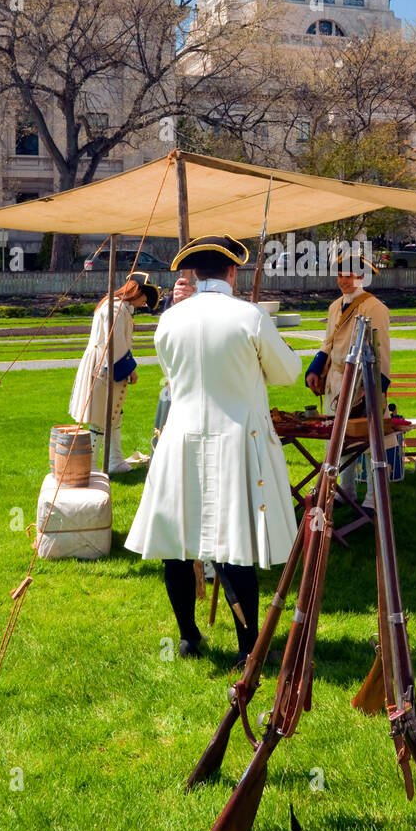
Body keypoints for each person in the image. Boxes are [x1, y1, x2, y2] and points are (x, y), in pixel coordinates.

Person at [124, 235, 300, 664]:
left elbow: (172, 374)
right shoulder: (250, 316)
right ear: (232, 273)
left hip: (180, 436)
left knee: (177, 546)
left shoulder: (170, 320)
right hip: (236, 439)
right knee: (235, 546)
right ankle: (248, 648)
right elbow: (288, 372)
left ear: (194, 275)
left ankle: (188, 636)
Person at [304, 251, 391, 515]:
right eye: (340, 275)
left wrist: (374, 388)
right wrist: (316, 368)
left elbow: (381, 352)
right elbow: (328, 342)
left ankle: (374, 499)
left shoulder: (375, 308)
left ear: (362, 277)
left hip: (361, 381)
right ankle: (346, 490)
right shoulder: (334, 306)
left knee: (369, 440)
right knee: (338, 440)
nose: (343, 280)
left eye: (349, 275)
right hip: (335, 380)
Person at [69, 271, 160, 474]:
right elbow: (115, 343)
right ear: (137, 292)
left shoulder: (119, 307)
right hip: (103, 365)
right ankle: (91, 466)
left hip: (105, 363)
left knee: (113, 415)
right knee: (100, 416)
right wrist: (130, 369)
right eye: (145, 297)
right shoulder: (116, 308)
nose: (144, 303)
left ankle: (115, 461)